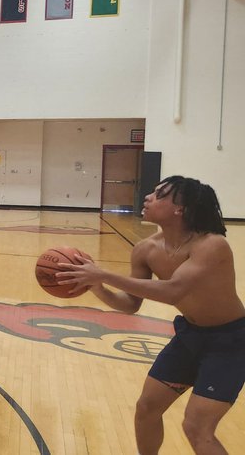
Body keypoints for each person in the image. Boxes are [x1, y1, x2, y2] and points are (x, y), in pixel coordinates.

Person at [57, 176, 243, 455]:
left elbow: (172, 292)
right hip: (190, 337)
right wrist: (97, 287)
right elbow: (130, 305)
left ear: (180, 208)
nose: (147, 198)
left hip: (231, 342)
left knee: (196, 428)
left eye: (158, 195)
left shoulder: (212, 245)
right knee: (146, 408)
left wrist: (104, 273)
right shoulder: (146, 249)